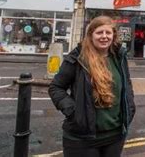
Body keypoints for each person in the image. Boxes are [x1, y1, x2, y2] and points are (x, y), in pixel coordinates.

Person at [49, 16, 136, 157]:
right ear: (91, 35)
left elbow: (127, 83)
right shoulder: (77, 58)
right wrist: (73, 111)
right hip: (82, 138)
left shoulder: (118, 57)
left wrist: (130, 107)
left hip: (115, 135)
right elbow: (56, 87)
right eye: (99, 32)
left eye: (108, 33)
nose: (104, 36)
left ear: (113, 35)